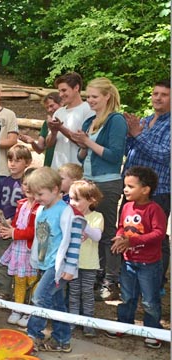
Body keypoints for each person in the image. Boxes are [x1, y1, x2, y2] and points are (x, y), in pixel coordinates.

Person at [70, 77, 127, 301]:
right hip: (89, 180)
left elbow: (114, 155)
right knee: (90, 228)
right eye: (88, 96)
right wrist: (83, 145)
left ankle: (111, 278)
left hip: (108, 181)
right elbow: (81, 155)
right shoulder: (90, 121)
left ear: (107, 97)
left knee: (107, 231)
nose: (90, 100)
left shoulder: (116, 121)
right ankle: (94, 272)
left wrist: (89, 143)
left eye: (94, 97)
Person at [25, 167, 85, 354]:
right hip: (45, 263)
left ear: (55, 189)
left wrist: (70, 266)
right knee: (57, 303)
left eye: (40, 194)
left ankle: (33, 336)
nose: (37, 198)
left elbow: (74, 242)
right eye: (34, 194)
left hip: (57, 267)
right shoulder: (42, 209)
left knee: (39, 297)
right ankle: (62, 339)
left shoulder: (67, 212)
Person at [106, 166, 166, 349]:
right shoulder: (126, 207)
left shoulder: (154, 210)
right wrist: (119, 236)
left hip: (149, 264)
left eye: (130, 187)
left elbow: (159, 233)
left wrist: (132, 241)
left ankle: (153, 331)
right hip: (129, 261)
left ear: (146, 189)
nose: (125, 190)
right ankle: (124, 324)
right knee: (127, 296)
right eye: (125, 186)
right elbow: (122, 227)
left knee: (149, 299)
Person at [122, 79, 170, 294]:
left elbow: (163, 154)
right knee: (130, 231)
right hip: (132, 189)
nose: (158, 98)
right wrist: (128, 133)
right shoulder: (146, 120)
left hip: (158, 192)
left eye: (164, 94)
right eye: (155, 93)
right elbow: (129, 151)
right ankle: (131, 278)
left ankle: (156, 284)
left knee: (156, 237)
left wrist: (138, 134)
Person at [0, 168, 39, 327]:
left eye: (30, 184)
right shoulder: (21, 204)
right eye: (24, 184)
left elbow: (35, 231)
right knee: (18, 280)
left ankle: (30, 311)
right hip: (18, 248)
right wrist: (3, 226)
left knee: (32, 282)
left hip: (30, 250)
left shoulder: (40, 207)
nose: (26, 187)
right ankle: (17, 308)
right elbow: (16, 224)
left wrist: (14, 233)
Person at [0, 144, 31, 301]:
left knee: (21, 261)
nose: (12, 164)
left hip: (19, 229)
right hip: (2, 228)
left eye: (17, 160)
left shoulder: (27, 184)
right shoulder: (3, 182)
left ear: (27, 163)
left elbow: (28, 206)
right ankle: (4, 290)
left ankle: (21, 293)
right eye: (10, 160)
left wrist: (11, 221)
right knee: (2, 260)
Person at [68, 180, 103, 337]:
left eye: (77, 199)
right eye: (70, 198)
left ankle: (88, 322)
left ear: (91, 200)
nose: (72, 203)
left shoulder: (97, 217)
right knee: (73, 292)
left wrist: (83, 223)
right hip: (72, 263)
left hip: (89, 264)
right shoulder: (69, 215)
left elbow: (96, 236)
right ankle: (73, 320)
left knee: (87, 292)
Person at [46, 72, 94, 169]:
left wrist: (61, 128)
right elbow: (49, 144)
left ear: (76, 88)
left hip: (77, 168)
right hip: (57, 168)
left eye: (64, 90)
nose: (61, 95)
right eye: (59, 91)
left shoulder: (89, 110)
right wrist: (54, 132)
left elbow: (84, 143)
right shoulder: (59, 112)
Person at [19, 92, 61, 167]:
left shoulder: (69, 120)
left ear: (61, 103)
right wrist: (32, 142)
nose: (49, 110)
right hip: (49, 164)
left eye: (52, 106)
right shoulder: (46, 124)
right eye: (47, 108)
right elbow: (39, 149)